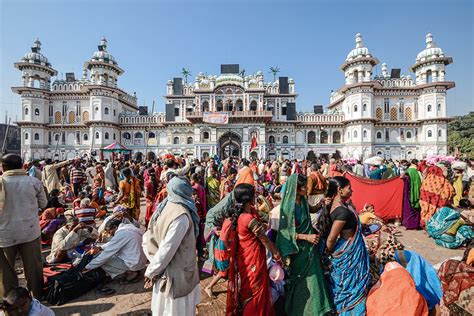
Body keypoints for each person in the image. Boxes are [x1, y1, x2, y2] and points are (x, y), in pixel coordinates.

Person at [143, 176, 200, 316]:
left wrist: (152, 265)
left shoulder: (166, 205)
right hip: (175, 273)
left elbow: (148, 235)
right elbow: (167, 248)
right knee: (175, 310)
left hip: (165, 267)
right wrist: (151, 271)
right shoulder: (181, 215)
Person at [277, 174, 333, 315]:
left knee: (315, 278)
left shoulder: (302, 199)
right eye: (303, 187)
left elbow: (311, 210)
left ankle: (317, 309)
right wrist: (306, 237)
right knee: (302, 280)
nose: (306, 189)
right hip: (299, 249)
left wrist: (321, 203)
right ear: (296, 189)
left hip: (310, 247)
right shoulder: (289, 207)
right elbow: (286, 234)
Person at [225, 183, 281, 316]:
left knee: (248, 288)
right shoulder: (248, 218)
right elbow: (264, 239)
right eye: (254, 195)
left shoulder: (241, 214)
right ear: (249, 198)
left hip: (245, 257)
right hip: (253, 258)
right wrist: (276, 253)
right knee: (255, 289)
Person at [319, 176, 370, 315]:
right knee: (351, 284)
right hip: (348, 251)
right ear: (340, 190)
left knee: (345, 283)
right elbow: (331, 238)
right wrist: (327, 255)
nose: (352, 191)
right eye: (349, 188)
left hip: (347, 247)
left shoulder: (339, 207)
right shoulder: (342, 212)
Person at [0, 154, 47, 299]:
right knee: (33, 269)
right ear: (22, 165)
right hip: (29, 232)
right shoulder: (33, 182)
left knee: (6, 273)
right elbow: (43, 204)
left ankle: (11, 303)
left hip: (5, 235)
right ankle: (36, 298)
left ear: (3, 167)